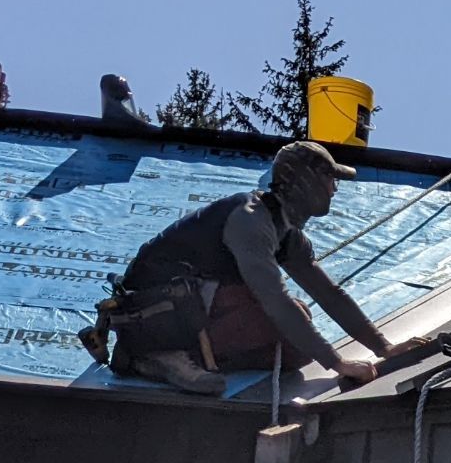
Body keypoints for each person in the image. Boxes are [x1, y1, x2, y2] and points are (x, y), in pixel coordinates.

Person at [86, 140, 392, 394]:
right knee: (276, 310)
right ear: (305, 181)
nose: (334, 188)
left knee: (292, 349)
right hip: (150, 313)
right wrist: (338, 364)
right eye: (330, 178)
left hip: (188, 310)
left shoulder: (287, 234)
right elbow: (275, 300)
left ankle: (197, 358)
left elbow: (329, 294)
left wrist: (385, 349)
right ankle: (157, 356)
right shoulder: (249, 219)